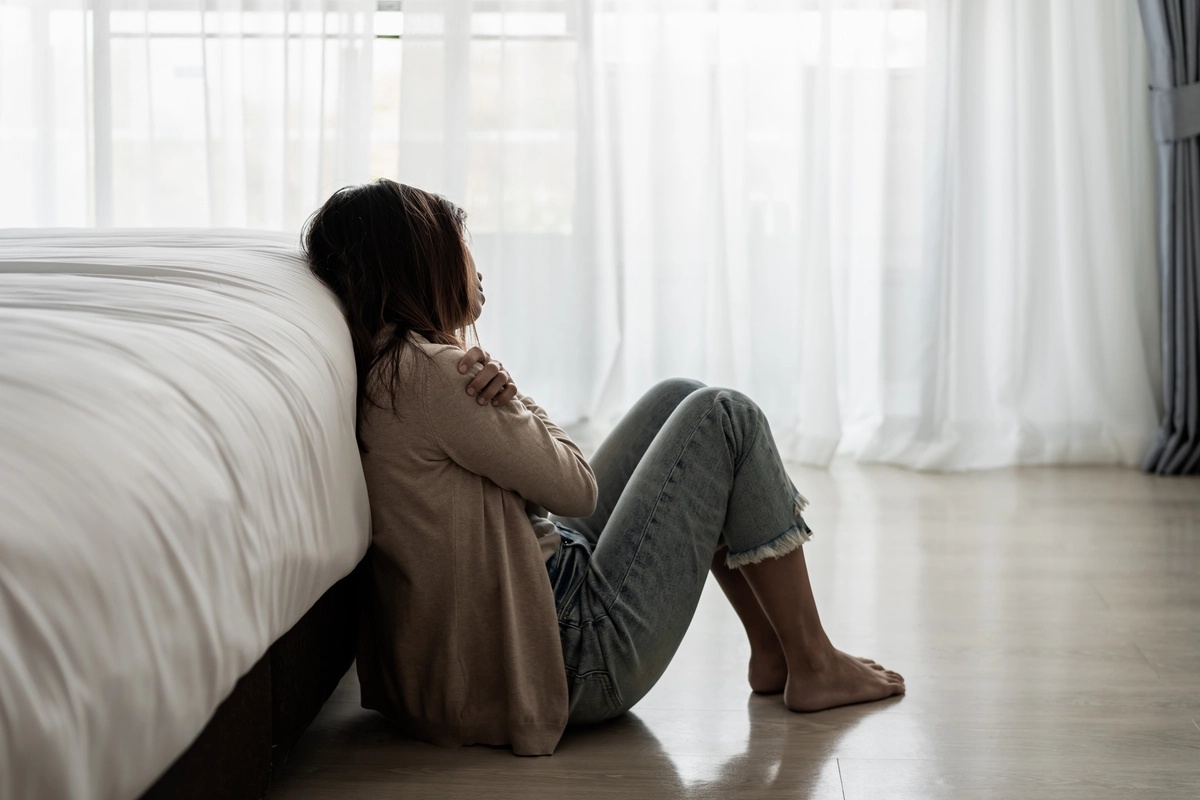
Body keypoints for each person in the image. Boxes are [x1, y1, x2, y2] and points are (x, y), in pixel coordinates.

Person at [301, 179, 904, 756]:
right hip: (570, 651)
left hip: (536, 590)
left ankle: (775, 650)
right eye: (462, 249)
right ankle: (814, 660)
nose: (477, 268)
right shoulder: (437, 374)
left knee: (680, 395)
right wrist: (512, 394)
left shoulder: (392, 368)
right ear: (420, 265)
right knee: (725, 416)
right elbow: (575, 487)